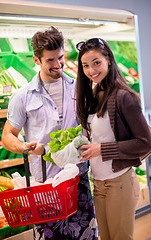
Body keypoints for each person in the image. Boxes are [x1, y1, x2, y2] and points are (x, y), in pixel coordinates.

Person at [2, 27, 98, 240]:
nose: (58, 64)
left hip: (78, 178)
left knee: (87, 235)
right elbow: (8, 135)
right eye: (50, 60)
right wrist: (23, 148)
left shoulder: (79, 88)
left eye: (61, 57)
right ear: (36, 60)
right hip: (46, 186)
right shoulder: (22, 97)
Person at [75, 37, 151, 240]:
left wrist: (101, 149)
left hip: (119, 183)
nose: (91, 70)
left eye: (96, 63)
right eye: (85, 66)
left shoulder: (123, 96)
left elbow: (146, 142)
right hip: (98, 183)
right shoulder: (93, 93)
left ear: (108, 59)